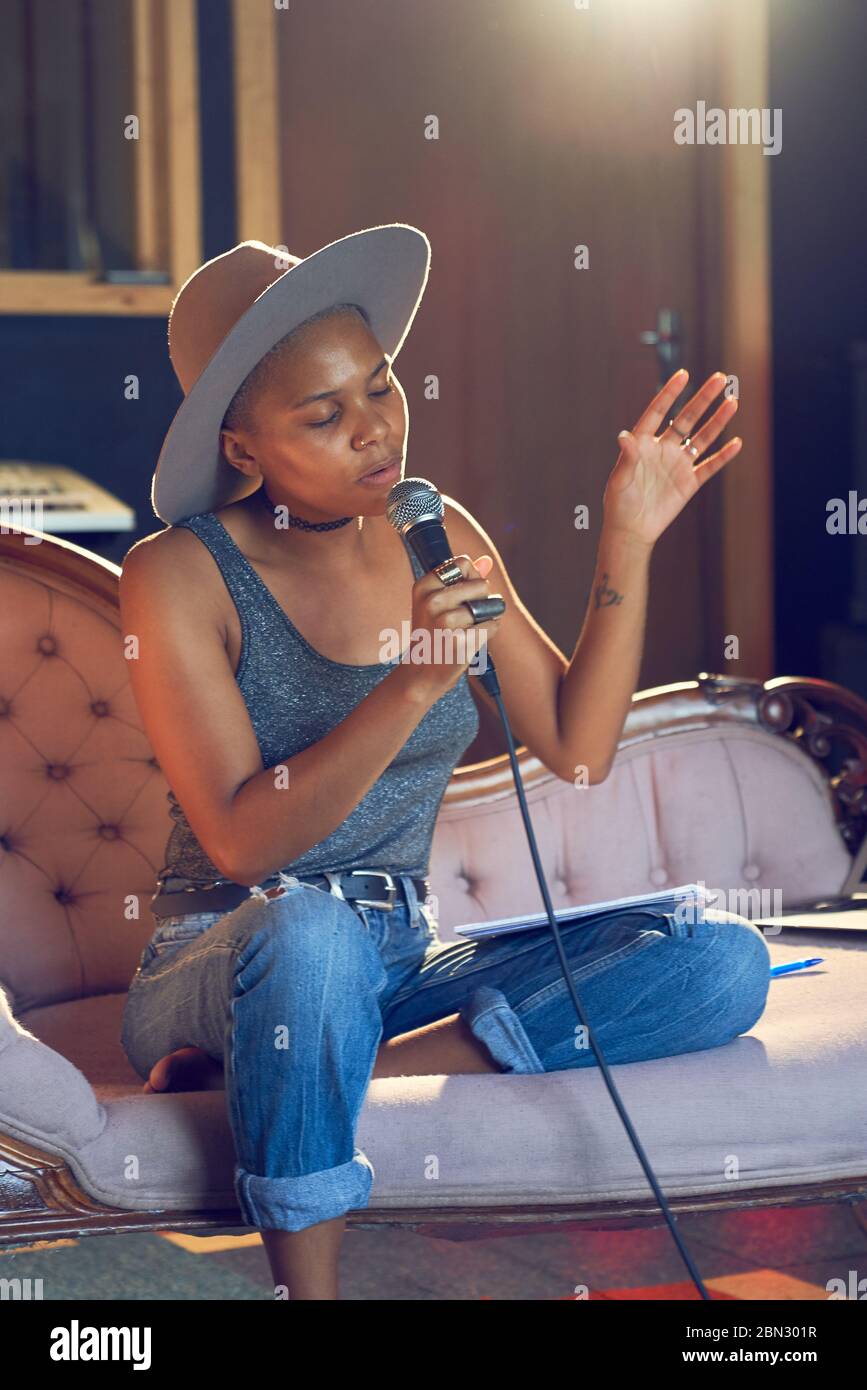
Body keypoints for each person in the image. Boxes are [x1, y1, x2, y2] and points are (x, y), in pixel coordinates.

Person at [119, 226, 771, 1300]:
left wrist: (628, 539)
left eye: (379, 388)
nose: (375, 434)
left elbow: (578, 744)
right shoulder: (177, 575)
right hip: (222, 948)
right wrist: (415, 681)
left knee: (715, 958)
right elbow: (241, 834)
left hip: (398, 956)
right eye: (324, 417)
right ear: (242, 449)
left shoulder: (440, 532)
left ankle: (309, 1066)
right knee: (309, 929)